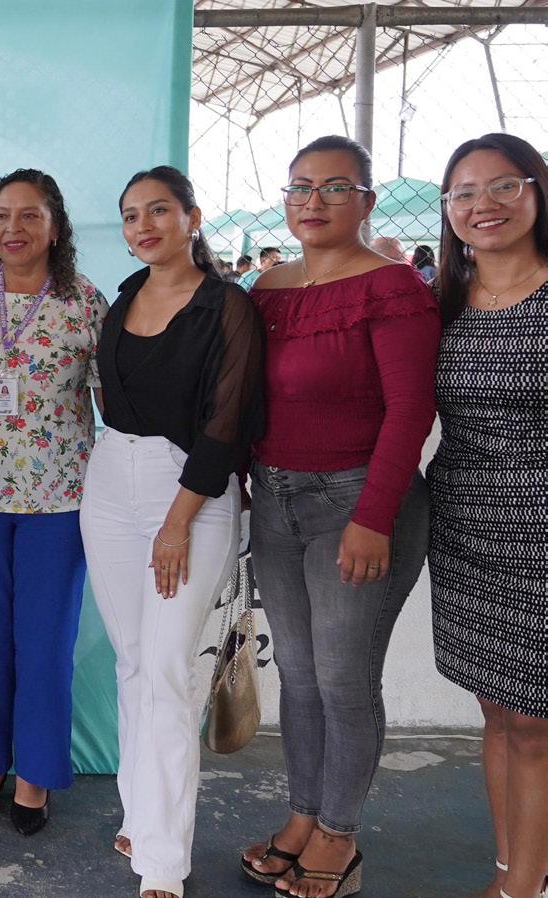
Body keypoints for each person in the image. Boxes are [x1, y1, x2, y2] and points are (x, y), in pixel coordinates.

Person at [238, 135, 439, 898]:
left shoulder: (392, 287)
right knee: (296, 674)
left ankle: (340, 836)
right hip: (275, 499)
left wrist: (374, 516)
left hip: (357, 502)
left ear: (367, 201)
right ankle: (303, 816)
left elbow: (410, 409)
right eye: (299, 187)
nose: (313, 201)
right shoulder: (267, 288)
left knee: (344, 679)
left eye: (334, 187)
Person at [82, 166, 264, 898]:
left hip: (188, 490)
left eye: (159, 210)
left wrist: (176, 522)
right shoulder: (124, 296)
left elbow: (227, 425)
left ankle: (162, 859)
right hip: (108, 482)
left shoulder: (227, 307)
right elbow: (110, 401)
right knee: (132, 662)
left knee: (163, 668)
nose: (143, 226)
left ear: (192, 216)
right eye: (131, 215)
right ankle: (141, 812)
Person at [0, 168, 108, 836]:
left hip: (60, 500)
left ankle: (34, 774)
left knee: (45, 642)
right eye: (3, 215)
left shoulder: (85, 303)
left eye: (30, 215)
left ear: (55, 227)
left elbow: (115, 402)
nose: (14, 228)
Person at [429, 133, 548, 898]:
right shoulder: (441, 300)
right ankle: (510, 869)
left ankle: (522, 887)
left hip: (540, 539)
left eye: (503, 186)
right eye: (465, 193)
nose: (483, 205)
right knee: (498, 713)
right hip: (464, 528)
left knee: (535, 723)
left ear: (537, 190)